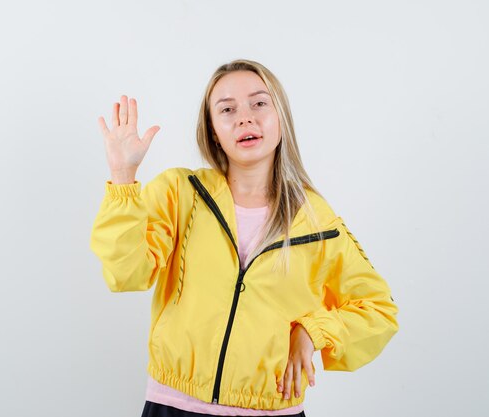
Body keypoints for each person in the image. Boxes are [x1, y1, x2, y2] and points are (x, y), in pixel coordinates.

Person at [90, 59, 399, 417]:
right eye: (227, 109)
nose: (244, 118)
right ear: (213, 130)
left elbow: (379, 310)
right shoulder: (180, 193)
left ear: (280, 115)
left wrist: (312, 332)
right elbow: (126, 274)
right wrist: (123, 175)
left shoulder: (316, 221)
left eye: (259, 103)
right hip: (173, 406)